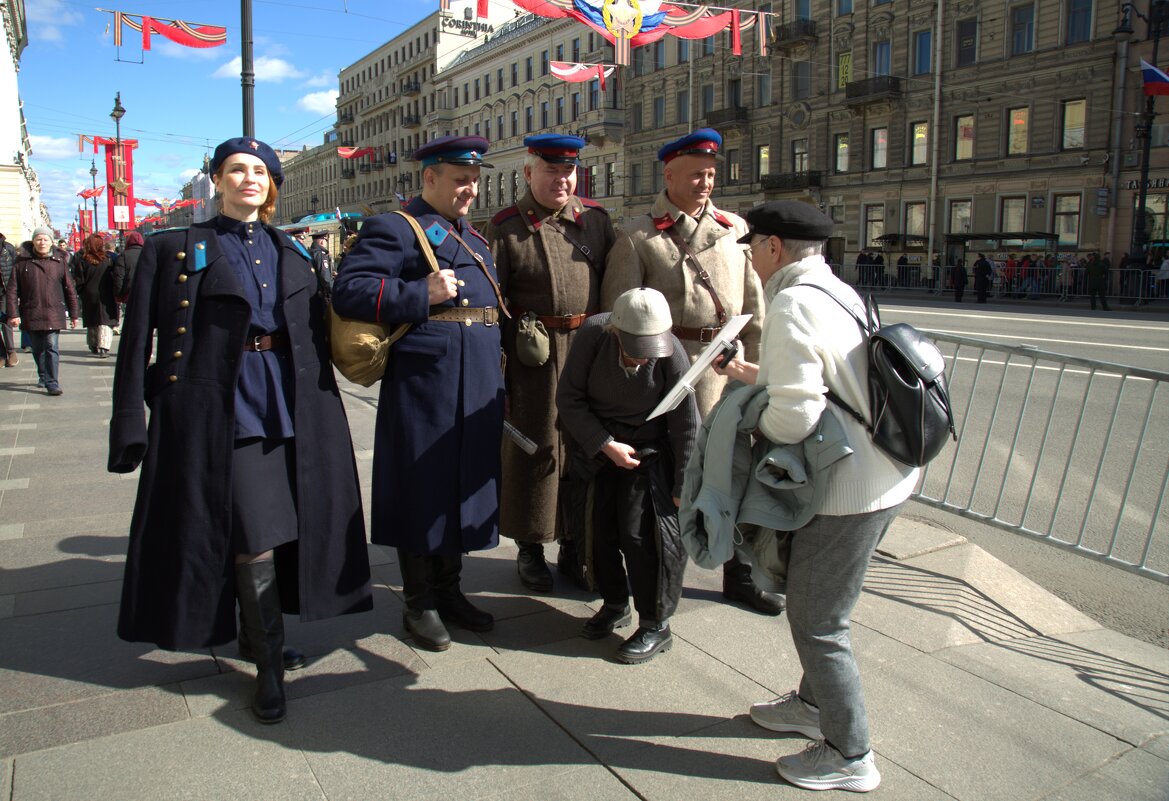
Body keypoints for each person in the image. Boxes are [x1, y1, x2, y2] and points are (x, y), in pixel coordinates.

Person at [108, 137, 373, 724]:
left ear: (271, 185)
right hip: (219, 404)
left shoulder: (295, 251)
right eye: (236, 170)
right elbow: (135, 345)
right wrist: (129, 420)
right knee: (253, 531)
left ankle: (256, 638)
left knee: (282, 528)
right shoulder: (174, 248)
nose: (248, 178)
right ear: (218, 181)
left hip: (295, 400)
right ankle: (270, 665)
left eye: (259, 171)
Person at [714, 201, 919, 793]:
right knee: (819, 605)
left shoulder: (792, 302)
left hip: (849, 489)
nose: (750, 254)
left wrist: (755, 427)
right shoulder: (835, 290)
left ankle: (851, 753)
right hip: (884, 472)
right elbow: (821, 379)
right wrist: (749, 373)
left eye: (754, 244)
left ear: (775, 246)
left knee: (818, 620)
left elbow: (796, 413)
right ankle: (811, 705)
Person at [331, 135, 505, 653]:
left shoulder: (471, 234)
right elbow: (350, 290)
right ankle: (419, 601)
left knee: (459, 488)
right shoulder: (396, 227)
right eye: (460, 179)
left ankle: (450, 590)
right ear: (429, 177)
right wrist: (417, 294)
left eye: (474, 179)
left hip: (473, 381)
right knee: (422, 487)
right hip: (426, 384)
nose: (470, 188)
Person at [601, 128, 778, 616]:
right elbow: (619, 318)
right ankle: (662, 579)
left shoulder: (733, 229)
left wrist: (758, 374)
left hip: (726, 371)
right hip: (670, 379)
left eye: (711, 174)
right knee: (674, 480)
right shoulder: (639, 235)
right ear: (669, 174)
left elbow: (755, 311)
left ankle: (738, 574)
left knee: (737, 470)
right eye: (696, 174)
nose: (705, 183)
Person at [484, 133, 616, 593]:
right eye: (551, 170)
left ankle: (575, 544)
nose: (561, 179)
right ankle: (530, 546)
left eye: (568, 171)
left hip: (587, 352)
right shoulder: (506, 227)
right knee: (534, 451)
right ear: (527, 173)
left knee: (584, 450)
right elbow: (493, 306)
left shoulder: (596, 222)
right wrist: (499, 371)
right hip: (532, 362)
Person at [556, 287, 697, 663]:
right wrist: (604, 445)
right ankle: (616, 603)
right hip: (599, 445)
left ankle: (656, 624)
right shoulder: (593, 334)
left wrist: (683, 484)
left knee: (640, 537)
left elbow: (686, 423)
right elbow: (568, 397)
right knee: (597, 532)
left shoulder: (673, 352)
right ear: (615, 331)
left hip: (647, 452)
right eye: (634, 345)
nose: (642, 356)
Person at [6, 227, 79, 395]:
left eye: (46, 239)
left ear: (51, 242)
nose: (42, 242)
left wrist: (74, 313)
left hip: (54, 312)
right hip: (31, 312)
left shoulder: (59, 261)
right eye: (39, 239)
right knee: (38, 349)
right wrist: (13, 313)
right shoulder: (21, 262)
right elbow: (12, 290)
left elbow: (69, 288)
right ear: (33, 242)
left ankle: (52, 382)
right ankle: (43, 375)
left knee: (51, 346)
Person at [73, 233, 119, 358]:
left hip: (89, 293)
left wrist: (80, 291)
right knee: (105, 321)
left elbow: (79, 279)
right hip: (106, 293)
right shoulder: (108, 259)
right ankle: (104, 347)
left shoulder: (83, 259)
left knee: (92, 319)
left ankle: (93, 344)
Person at [0, 232, 17, 366]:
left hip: (5, 291)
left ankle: (11, 352)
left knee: (6, 322)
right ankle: (1, 353)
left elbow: (15, 270)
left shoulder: (8, 248)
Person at [308, 231, 335, 302]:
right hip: (321, 294)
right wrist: (334, 290)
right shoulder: (320, 255)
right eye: (326, 240)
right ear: (322, 242)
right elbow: (325, 277)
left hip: (312, 291)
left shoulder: (309, 252)